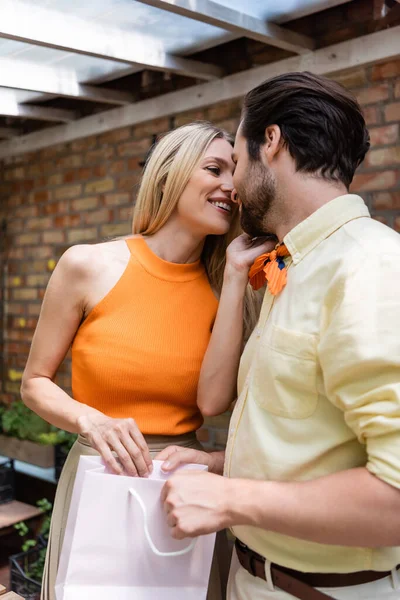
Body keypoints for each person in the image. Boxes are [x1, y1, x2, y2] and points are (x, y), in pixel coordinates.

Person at [158, 72, 400, 600]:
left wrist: (230, 498)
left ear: (271, 143)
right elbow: (322, 443)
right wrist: (226, 464)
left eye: (237, 162)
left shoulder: (370, 268)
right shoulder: (293, 264)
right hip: (258, 580)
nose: (234, 186)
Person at [20, 121, 270, 600]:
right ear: (168, 176)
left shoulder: (226, 288)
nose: (230, 186)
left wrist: (237, 278)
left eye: (235, 173)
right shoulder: (87, 266)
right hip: (101, 471)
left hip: (184, 483)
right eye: (214, 168)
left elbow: (213, 401)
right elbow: (34, 382)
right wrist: (91, 420)